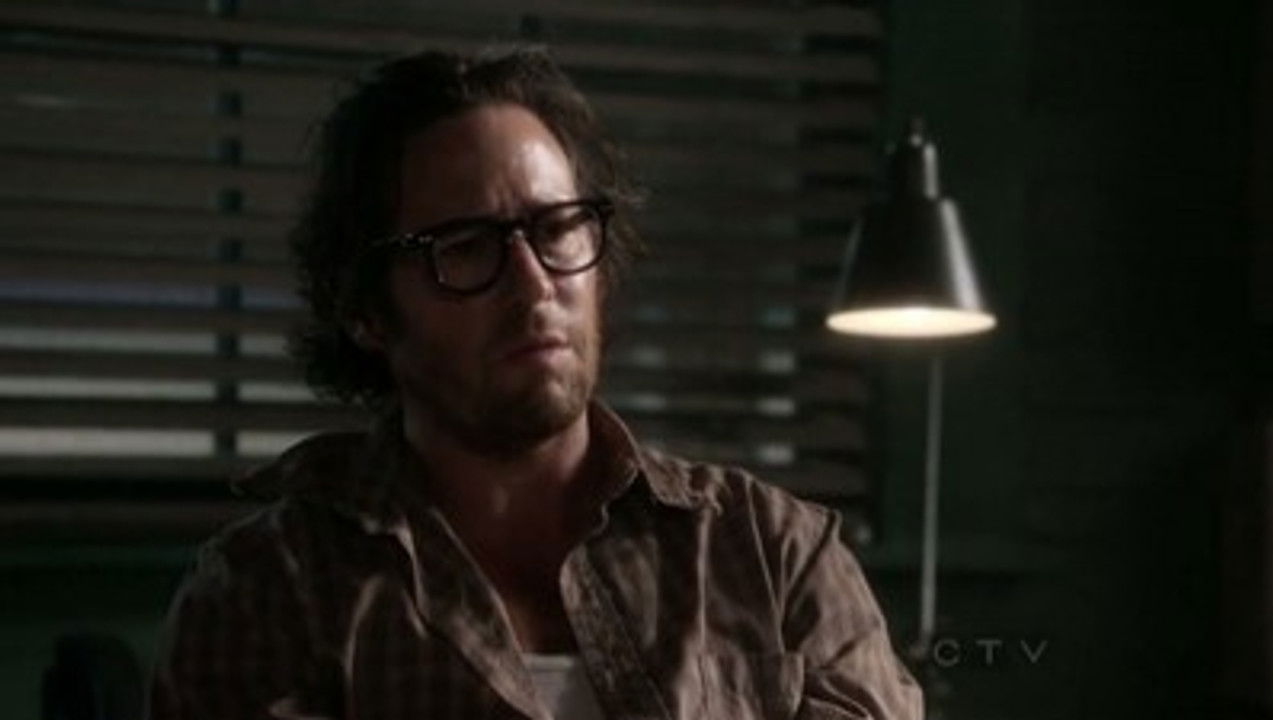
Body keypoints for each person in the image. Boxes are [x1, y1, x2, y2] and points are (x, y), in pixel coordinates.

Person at [148, 46, 923, 720]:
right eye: (464, 246)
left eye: (556, 229)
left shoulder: (772, 553)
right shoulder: (272, 589)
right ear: (367, 312)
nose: (533, 284)